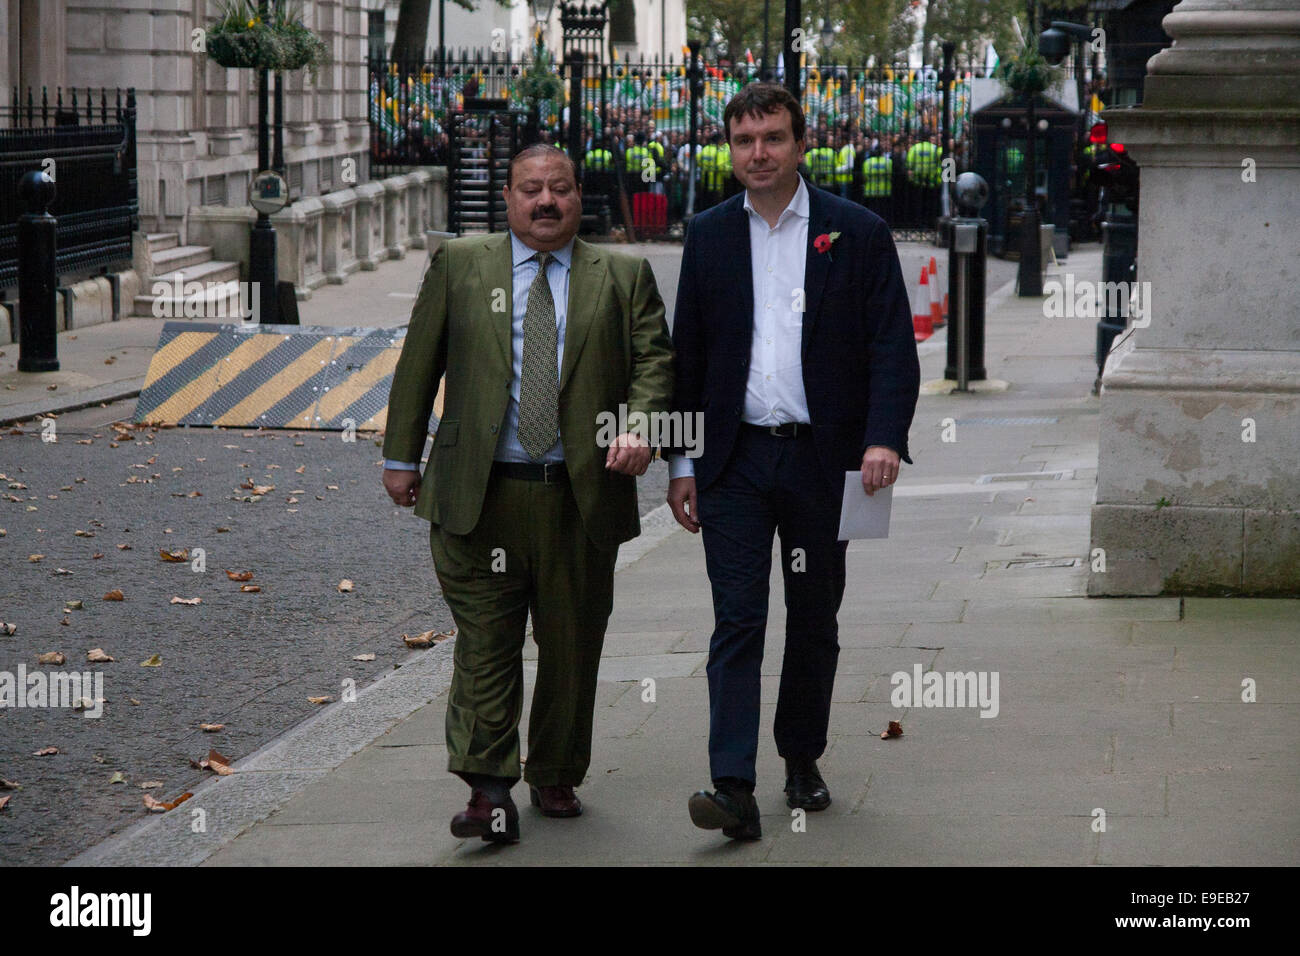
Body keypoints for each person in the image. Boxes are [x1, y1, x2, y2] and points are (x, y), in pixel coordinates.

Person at [382, 144, 674, 844]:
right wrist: (400, 454)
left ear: (580, 198)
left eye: (561, 189)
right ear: (508, 198)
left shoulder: (625, 275)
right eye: (532, 190)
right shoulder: (460, 266)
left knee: (572, 644)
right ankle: (487, 789)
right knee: (486, 644)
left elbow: (655, 367)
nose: (547, 202)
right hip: (481, 497)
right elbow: (419, 360)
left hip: (580, 498)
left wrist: (640, 428)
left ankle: (554, 770)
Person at [666, 83, 920, 841]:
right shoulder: (709, 234)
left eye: (772, 138)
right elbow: (689, 359)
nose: (758, 154)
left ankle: (801, 757)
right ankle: (732, 785)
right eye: (744, 141)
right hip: (736, 463)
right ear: (730, 148)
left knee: (813, 616)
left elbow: (890, 346)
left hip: (821, 461)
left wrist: (882, 437)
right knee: (738, 618)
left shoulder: (857, 231)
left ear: (801, 144)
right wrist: (682, 463)